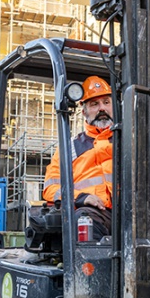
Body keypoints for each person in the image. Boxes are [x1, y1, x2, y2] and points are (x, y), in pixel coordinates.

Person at [43, 76, 114, 239]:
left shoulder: (132, 138)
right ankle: (89, 265)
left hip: (134, 213)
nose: (102, 108)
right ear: (84, 111)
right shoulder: (69, 148)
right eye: (94, 104)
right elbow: (51, 188)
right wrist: (82, 198)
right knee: (85, 219)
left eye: (106, 102)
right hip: (97, 213)